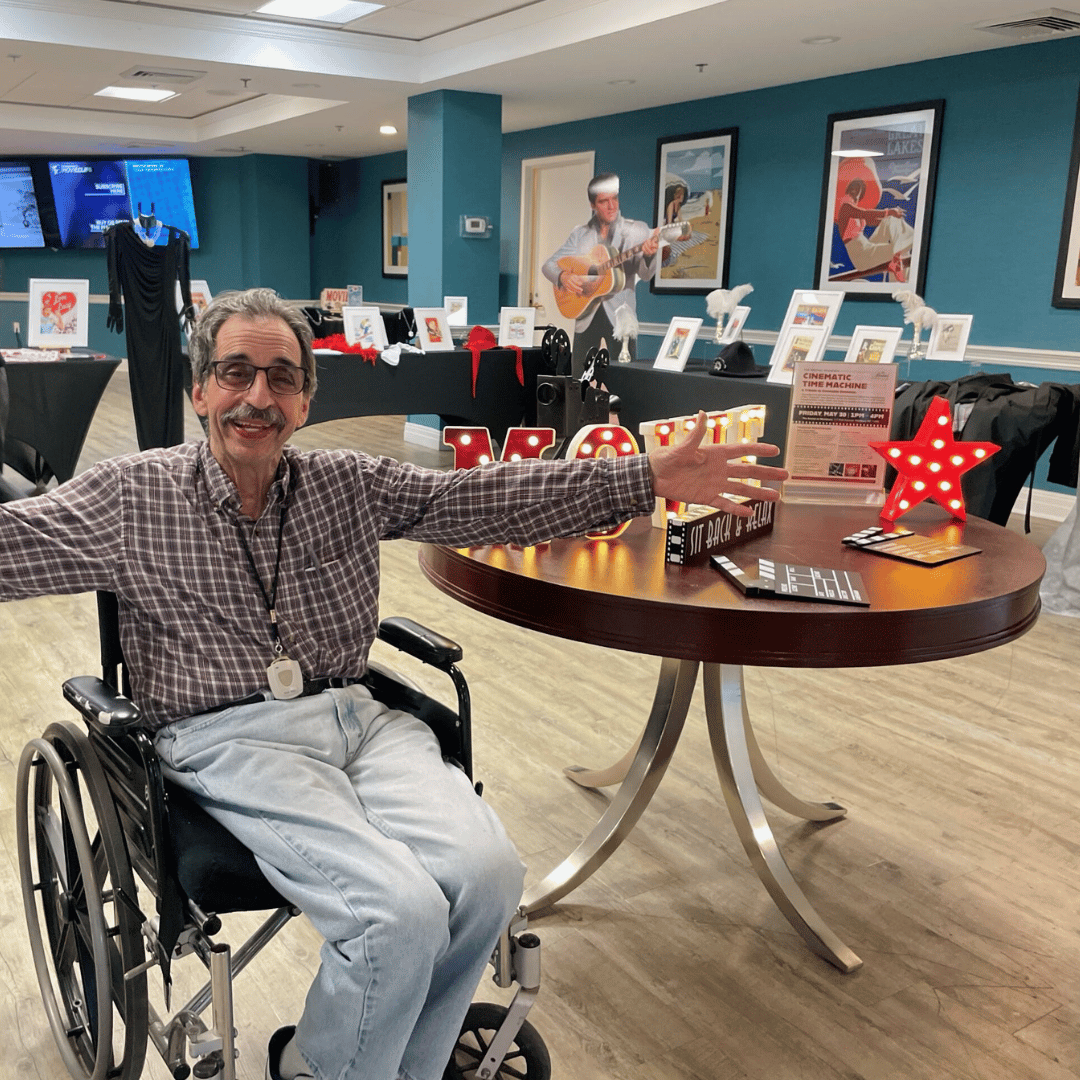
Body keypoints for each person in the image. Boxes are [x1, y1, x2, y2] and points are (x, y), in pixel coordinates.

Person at [0, 287, 787, 1080]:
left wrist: (643, 476)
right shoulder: (132, 497)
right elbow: (14, 545)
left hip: (357, 719)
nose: (257, 397)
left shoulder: (345, 484)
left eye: (281, 378)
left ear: (306, 400)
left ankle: (342, 1063)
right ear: (199, 388)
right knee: (397, 915)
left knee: (489, 876)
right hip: (225, 736)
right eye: (235, 372)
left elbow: (477, 497)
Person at [542, 172, 659, 375]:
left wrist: (649, 256)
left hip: (621, 319)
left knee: (624, 380)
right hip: (584, 313)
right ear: (593, 205)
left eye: (614, 199)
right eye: (604, 201)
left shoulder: (636, 231)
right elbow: (549, 265)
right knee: (579, 380)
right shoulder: (580, 234)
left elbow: (646, 275)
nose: (612, 206)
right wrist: (563, 277)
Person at [834, 177, 914, 282]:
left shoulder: (853, 211)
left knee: (890, 220)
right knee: (900, 251)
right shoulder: (846, 207)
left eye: (859, 190)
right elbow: (864, 213)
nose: (856, 192)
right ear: (849, 190)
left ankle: (902, 246)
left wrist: (892, 215)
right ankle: (900, 280)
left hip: (867, 246)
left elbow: (874, 220)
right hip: (861, 255)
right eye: (854, 189)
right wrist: (889, 211)